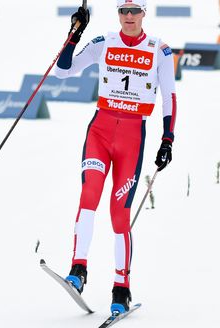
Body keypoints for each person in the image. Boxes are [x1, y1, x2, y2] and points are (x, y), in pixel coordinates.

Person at [54, 0, 177, 314]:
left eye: (135, 11)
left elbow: (169, 97)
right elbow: (62, 71)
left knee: (119, 214)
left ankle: (121, 288)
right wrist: (74, 34)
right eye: (124, 11)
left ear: (144, 13)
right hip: (101, 131)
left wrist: (167, 139)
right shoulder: (103, 42)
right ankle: (78, 270)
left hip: (132, 138)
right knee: (89, 194)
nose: (129, 17)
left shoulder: (159, 50)